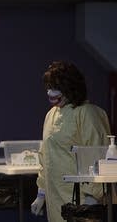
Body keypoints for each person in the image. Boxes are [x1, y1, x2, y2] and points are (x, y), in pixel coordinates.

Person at [30, 61, 111, 222]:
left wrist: (91, 200)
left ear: (70, 88)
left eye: (56, 88)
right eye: (48, 88)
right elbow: (45, 156)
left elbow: (98, 157)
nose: (50, 93)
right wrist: (41, 193)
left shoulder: (88, 114)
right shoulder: (51, 115)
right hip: (56, 200)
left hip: (81, 199)